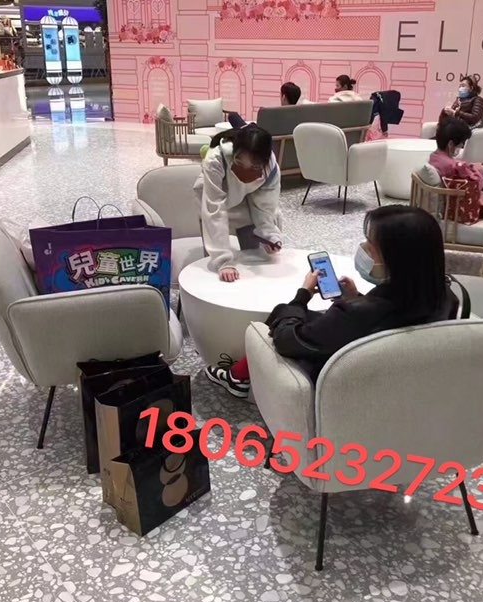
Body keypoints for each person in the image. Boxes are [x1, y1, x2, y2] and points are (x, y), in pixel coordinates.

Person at [204, 205, 460, 398]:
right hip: (400, 382)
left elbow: (287, 340)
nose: (363, 247)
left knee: (282, 316)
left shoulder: (353, 315)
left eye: (370, 246)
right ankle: (239, 374)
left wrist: (302, 295)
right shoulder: (446, 298)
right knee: (308, 316)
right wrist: (356, 299)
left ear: (395, 259)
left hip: (342, 383)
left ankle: (237, 378)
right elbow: (388, 319)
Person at [195, 124, 283, 282]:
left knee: (253, 258)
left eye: (254, 166)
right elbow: (214, 208)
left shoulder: (270, 168)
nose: (246, 171)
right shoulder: (216, 160)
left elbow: (265, 206)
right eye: (239, 162)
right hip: (213, 198)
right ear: (234, 152)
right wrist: (223, 261)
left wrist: (268, 235)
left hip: (246, 201)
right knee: (217, 269)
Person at [428, 118, 483, 212]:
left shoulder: (433, 157)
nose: (461, 147)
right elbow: (476, 185)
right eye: (461, 144)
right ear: (451, 144)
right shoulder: (454, 166)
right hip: (460, 206)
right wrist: (478, 169)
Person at [227, 82, 310, 128]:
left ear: (284, 97)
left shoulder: (271, 114)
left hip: (259, 143)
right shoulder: (301, 118)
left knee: (232, 115)